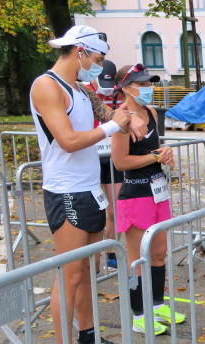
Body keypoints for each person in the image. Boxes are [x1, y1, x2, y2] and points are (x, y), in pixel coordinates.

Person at [30, 25, 130, 344]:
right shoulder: (47, 86)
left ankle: (87, 340)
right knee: (69, 275)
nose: (98, 66)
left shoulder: (81, 88)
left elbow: (108, 114)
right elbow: (69, 140)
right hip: (66, 191)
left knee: (88, 269)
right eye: (97, 58)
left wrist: (129, 116)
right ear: (80, 52)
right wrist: (114, 127)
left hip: (90, 189)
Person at [111, 63, 187, 336]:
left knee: (158, 253)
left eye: (150, 83)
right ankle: (139, 315)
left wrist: (164, 154)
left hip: (158, 191)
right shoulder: (121, 119)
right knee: (136, 258)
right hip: (135, 194)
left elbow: (153, 150)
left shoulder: (151, 112)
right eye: (142, 84)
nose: (148, 88)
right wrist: (154, 156)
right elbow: (120, 162)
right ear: (126, 87)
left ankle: (156, 305)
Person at [84, 60, 124, 270]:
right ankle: (93, 258)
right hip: (89, 155)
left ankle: (111, 252)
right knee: (93, 212)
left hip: (112, 157)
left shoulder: (119, 94)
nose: (107, 90)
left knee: (115, 210)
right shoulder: (83, 91)